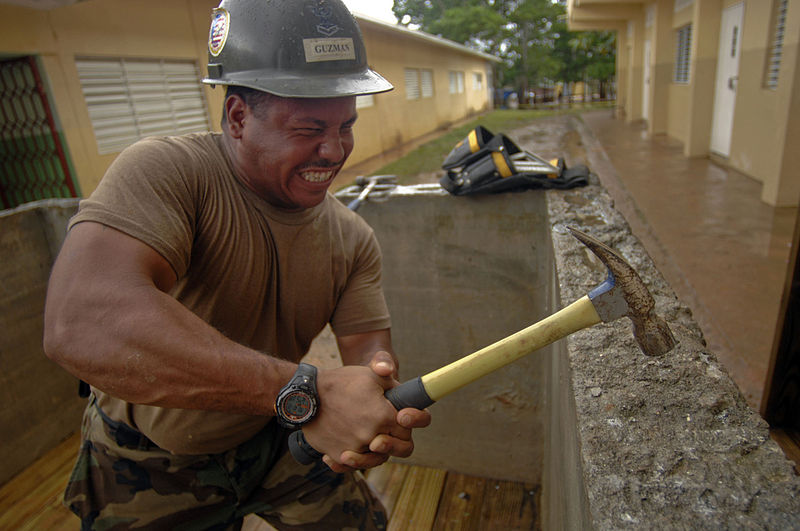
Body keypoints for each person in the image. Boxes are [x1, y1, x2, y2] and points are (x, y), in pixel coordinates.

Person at [42, 1, 430, 529]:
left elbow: (369, 358)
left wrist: (374, 405)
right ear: (239, 117)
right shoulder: (168, 173)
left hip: (276, 432)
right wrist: (306, 391)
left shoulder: (352, 237)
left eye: (347, 126)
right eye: (309, 128)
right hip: (147, 461)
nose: (334, 149)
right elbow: (80, 323)